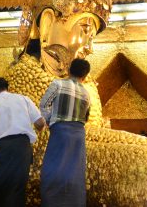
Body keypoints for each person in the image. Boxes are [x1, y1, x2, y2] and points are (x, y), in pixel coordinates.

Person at [0, 77, 46, 207]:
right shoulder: (23, 99)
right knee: (17, 189)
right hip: (23, 147)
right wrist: (40, 129)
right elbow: (40, 122)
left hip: (3, 148)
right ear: (6, 88)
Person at [39, 58, 91, 207]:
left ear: (68, 69)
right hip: (78, 136)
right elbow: (85, 117)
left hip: (60, 132)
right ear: (85, 76)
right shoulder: (87, 94)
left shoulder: (57, 84)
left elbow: (43, 105)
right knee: (75, 172)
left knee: (53, 167)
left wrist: (51, 120)